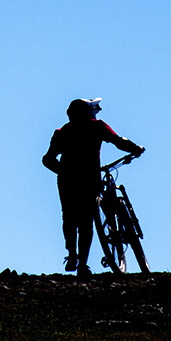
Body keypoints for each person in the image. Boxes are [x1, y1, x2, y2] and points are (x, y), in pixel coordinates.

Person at [42, 98, 144, 279]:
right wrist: (135, 148)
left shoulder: (62, 132)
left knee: (69, 217)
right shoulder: (96, 126)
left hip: (66, 181)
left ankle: (72, 255)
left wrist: (64, 172)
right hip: (90, 179)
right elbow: (119, 141)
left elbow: (47, 159)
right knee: (86, 223)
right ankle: (82, 265)